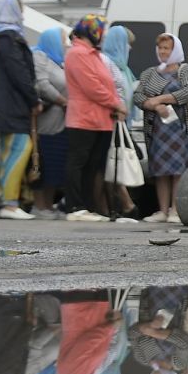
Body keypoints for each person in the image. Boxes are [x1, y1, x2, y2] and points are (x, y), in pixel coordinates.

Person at [0, 0, 37, 220]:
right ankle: (9, 203)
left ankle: (5, 200)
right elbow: (19, 73)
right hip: (12, 106)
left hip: (4, 106)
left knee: (7, 152)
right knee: (20, 149)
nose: (22, 15)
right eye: (19, 10)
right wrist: (33, 99)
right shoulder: (9, 38)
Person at [62, 14, 120, 222]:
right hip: (84, 119)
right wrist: (116, 103)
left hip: (100, 119)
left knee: (92, 165)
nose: (102, 35)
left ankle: (87, 205)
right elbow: (92, 87)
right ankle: (75, 206)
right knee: (79, 162)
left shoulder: (91, 53)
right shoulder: (77, 53)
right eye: (101, 30)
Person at [136, 34, 188, 223]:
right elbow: (138, 96)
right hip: (158, 129)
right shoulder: (149, 73)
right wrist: (154, 106)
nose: (163, 52)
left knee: (179, 169)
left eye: (167, 48)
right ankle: (162, 210)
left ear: (175, 50)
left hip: (179, 128)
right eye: (161, 48)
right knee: (160, 170)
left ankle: (176, 210)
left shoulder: (185, 69)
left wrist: (161, 99)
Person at [99, 25, 140, 219]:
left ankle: (119, 204)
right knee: (113, 163)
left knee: (117, 162)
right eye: (127, 44)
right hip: (112, 121)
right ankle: (123, 204)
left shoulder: (124, 68)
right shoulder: (107, 63)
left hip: (125, 122)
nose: (130, 48)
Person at [31, 29, 69, 218]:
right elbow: (42, 85)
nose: (65, 43)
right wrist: (63, 101)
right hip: (47, 120)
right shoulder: (40, 57)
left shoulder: (59, 61)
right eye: (63, 40)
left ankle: (48, 204)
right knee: (43, 161)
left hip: (61, 121)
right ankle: (39, 205)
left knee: (56, 164)